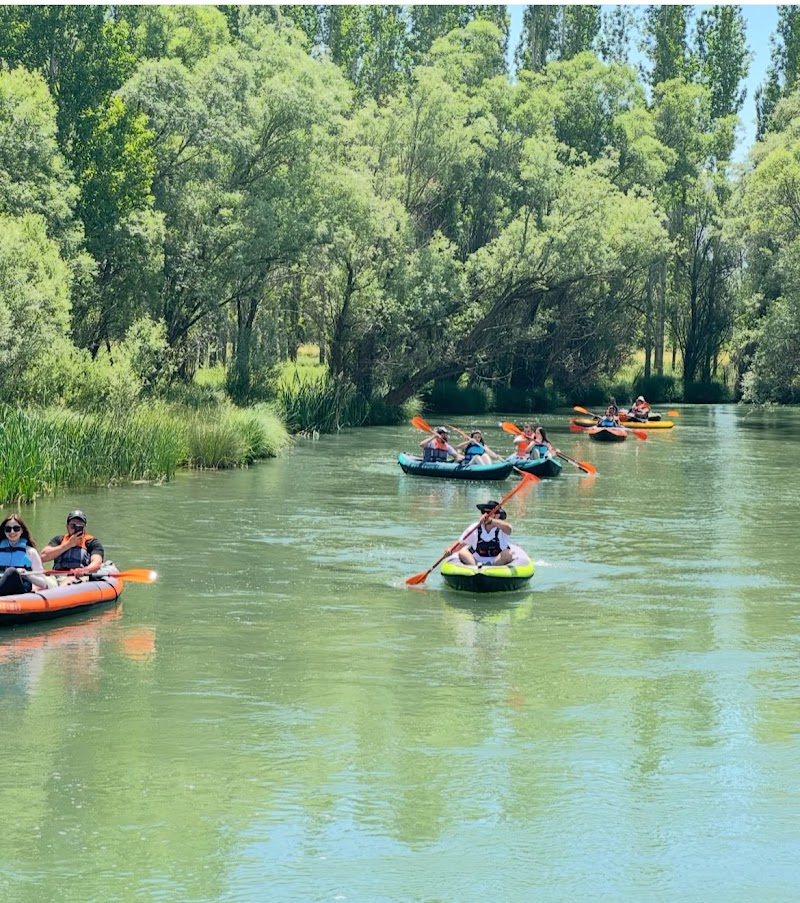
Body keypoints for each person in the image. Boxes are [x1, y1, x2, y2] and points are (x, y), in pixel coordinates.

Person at [40, 510, 105, 585]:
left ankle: (60, 593)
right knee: (40, 582)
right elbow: (43, 557)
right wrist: (68, 545)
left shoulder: (92, 542)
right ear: (67, 526)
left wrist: (84, 570)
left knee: (69, 580)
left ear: (85, 527)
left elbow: (97, 562)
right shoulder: (59, 540)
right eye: (73, 526)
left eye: (80, 526)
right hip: (56, 576)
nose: (76, 529)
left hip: (79, 577)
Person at [0, 514, 49, 596]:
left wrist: (27, 575)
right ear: (4, 531)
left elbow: (43, 583)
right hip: (2, 589)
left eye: (16, 528)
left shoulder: (31, 552)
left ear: (22, 530)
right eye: (8, 529)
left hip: (21, 591)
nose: (12, 532)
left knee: (11, 572)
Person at [458, 501, 514, 568]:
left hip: (497, 562)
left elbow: (509, 529)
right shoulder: (475, 527)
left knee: (508, 554)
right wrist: (450, 550)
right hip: (476, 561)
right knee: (462, 552)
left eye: (488, 513)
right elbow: (461, 543)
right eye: (483, 512)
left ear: (497, 515)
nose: (485, 515)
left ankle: (493, 569)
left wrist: (491, 521)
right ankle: (475, 569)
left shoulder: (502, 527)